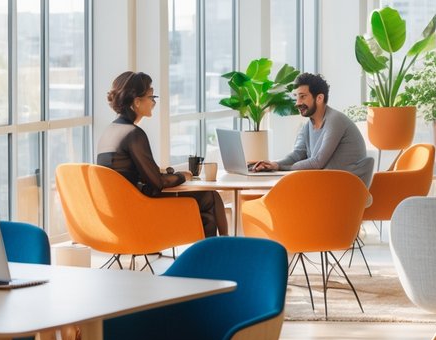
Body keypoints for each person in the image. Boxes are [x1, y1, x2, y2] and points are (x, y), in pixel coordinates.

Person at [97, 71, 227, 237]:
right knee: (210, 197)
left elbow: (132, 176)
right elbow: (157, 183)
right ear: (137, 102)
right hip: (138, 213)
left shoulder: (109, 132)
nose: (154, 102)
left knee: (206, 199)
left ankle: (216, 250)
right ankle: (221, 251)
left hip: (117, 213)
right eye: (151, 97)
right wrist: (183, 176)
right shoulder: (133, 134)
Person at [249, 72, 373, 184]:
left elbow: (318, 162)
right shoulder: (308, 126)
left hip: (347, 192)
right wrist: (275, 164)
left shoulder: (335, 120)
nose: (297, 103)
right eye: (296, 97)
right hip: (326, 186)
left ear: (319, 98)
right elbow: (297, 155)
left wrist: (283, 168)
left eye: (302, 96)